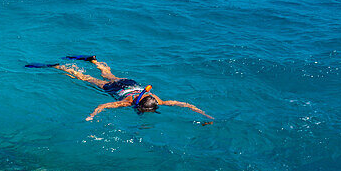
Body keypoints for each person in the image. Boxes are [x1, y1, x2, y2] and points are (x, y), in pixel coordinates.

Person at [27, 55, 213, 122]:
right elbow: (104, 106)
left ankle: (94, 60)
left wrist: (202, 113)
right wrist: (92, 115)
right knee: (87, 79)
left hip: (129, 82)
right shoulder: (126, 102)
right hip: (116, 87)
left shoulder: (156, 99)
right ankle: (58, 67)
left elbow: (184, 104)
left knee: (108, 73)